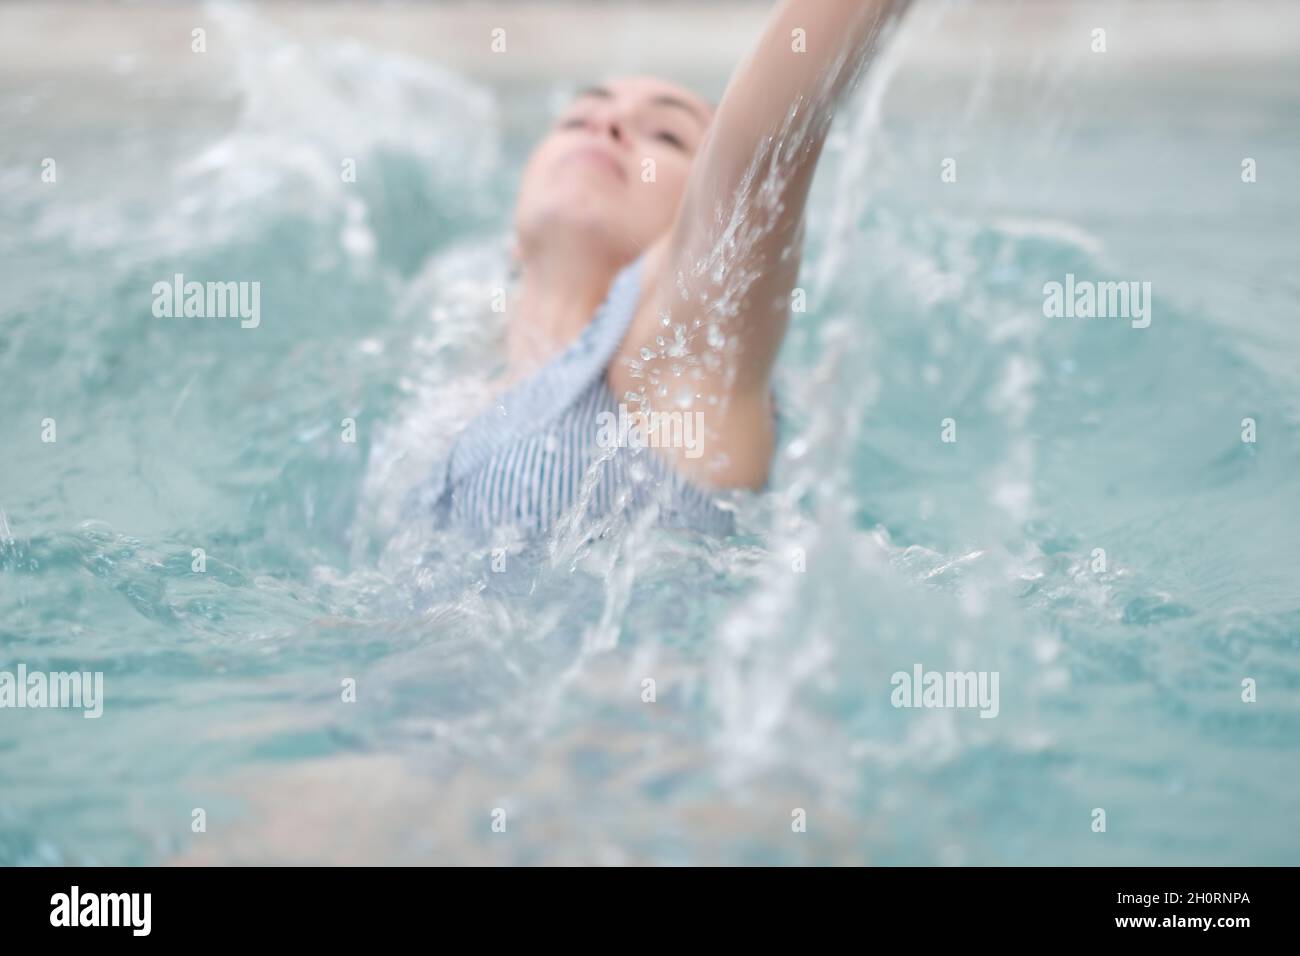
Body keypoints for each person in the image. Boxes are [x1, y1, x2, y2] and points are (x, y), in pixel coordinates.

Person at [424, 0, 910, 537]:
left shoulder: (676, 358)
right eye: (579, 118)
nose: (606, 126)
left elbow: (762, 147)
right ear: (515, 234)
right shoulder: (454, 385)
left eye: (665, 136)